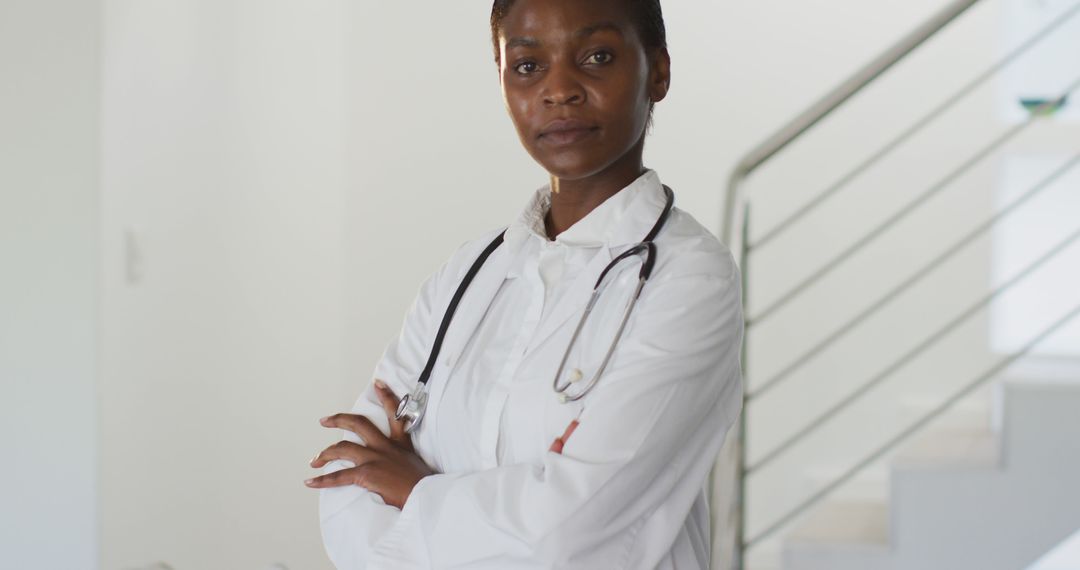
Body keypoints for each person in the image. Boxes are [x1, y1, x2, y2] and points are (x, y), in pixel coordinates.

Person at [305, 0, 743, 568]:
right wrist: (522, 502)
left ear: (657, 71)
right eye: (528, 66)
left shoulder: (689, 279)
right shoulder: (469, 273)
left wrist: (414, 490)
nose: (559, 89)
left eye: (596, 57)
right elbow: (350, 486)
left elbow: (568, 531)